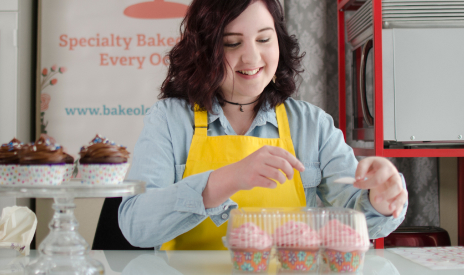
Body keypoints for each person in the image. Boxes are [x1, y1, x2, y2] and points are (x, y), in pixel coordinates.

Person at [118, 0, 408, 250]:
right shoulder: (169, 120)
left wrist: (380, 197)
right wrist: (229, 179)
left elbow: (360, 216)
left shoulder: (312, 125)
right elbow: (136, 226)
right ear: (204, 50)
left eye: (264, 39)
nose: (252, 57)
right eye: (232, 43)